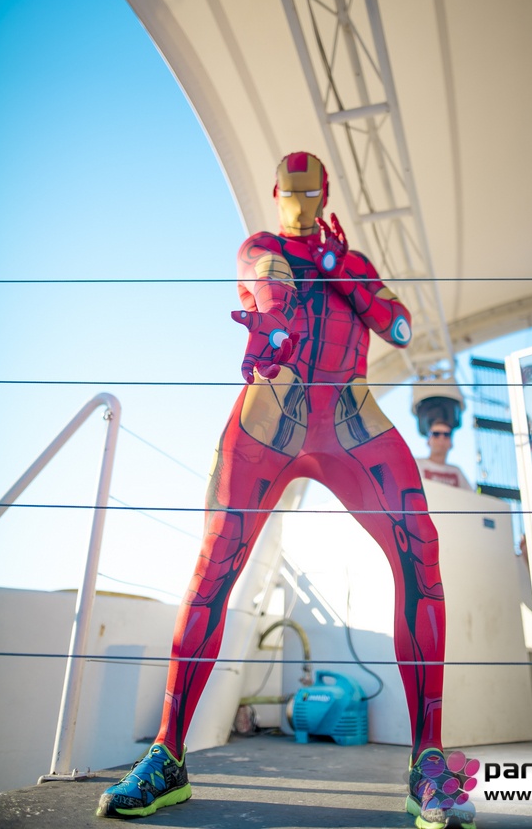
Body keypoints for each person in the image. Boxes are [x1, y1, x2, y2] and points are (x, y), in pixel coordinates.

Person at [96, 152, 476, 828]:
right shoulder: (262, 248)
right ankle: (168, 755)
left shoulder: (351, 261)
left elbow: (398, 328)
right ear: (276, 194)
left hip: (349, 420)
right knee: (215, 563)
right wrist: (278, 322)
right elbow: (269, 283)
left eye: (310, 191)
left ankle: (427, 761)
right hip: (272, 417)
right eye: (290, 191)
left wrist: (339, 269)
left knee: (421, 548)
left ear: (324, 193)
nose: (300, 201)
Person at [416, 421, 472, 491]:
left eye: (446, 435)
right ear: (428, 441)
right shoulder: (416, 465)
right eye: (436, 434)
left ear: (451, 443)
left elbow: (470, 495)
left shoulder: (457, 472)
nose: (441, 438)